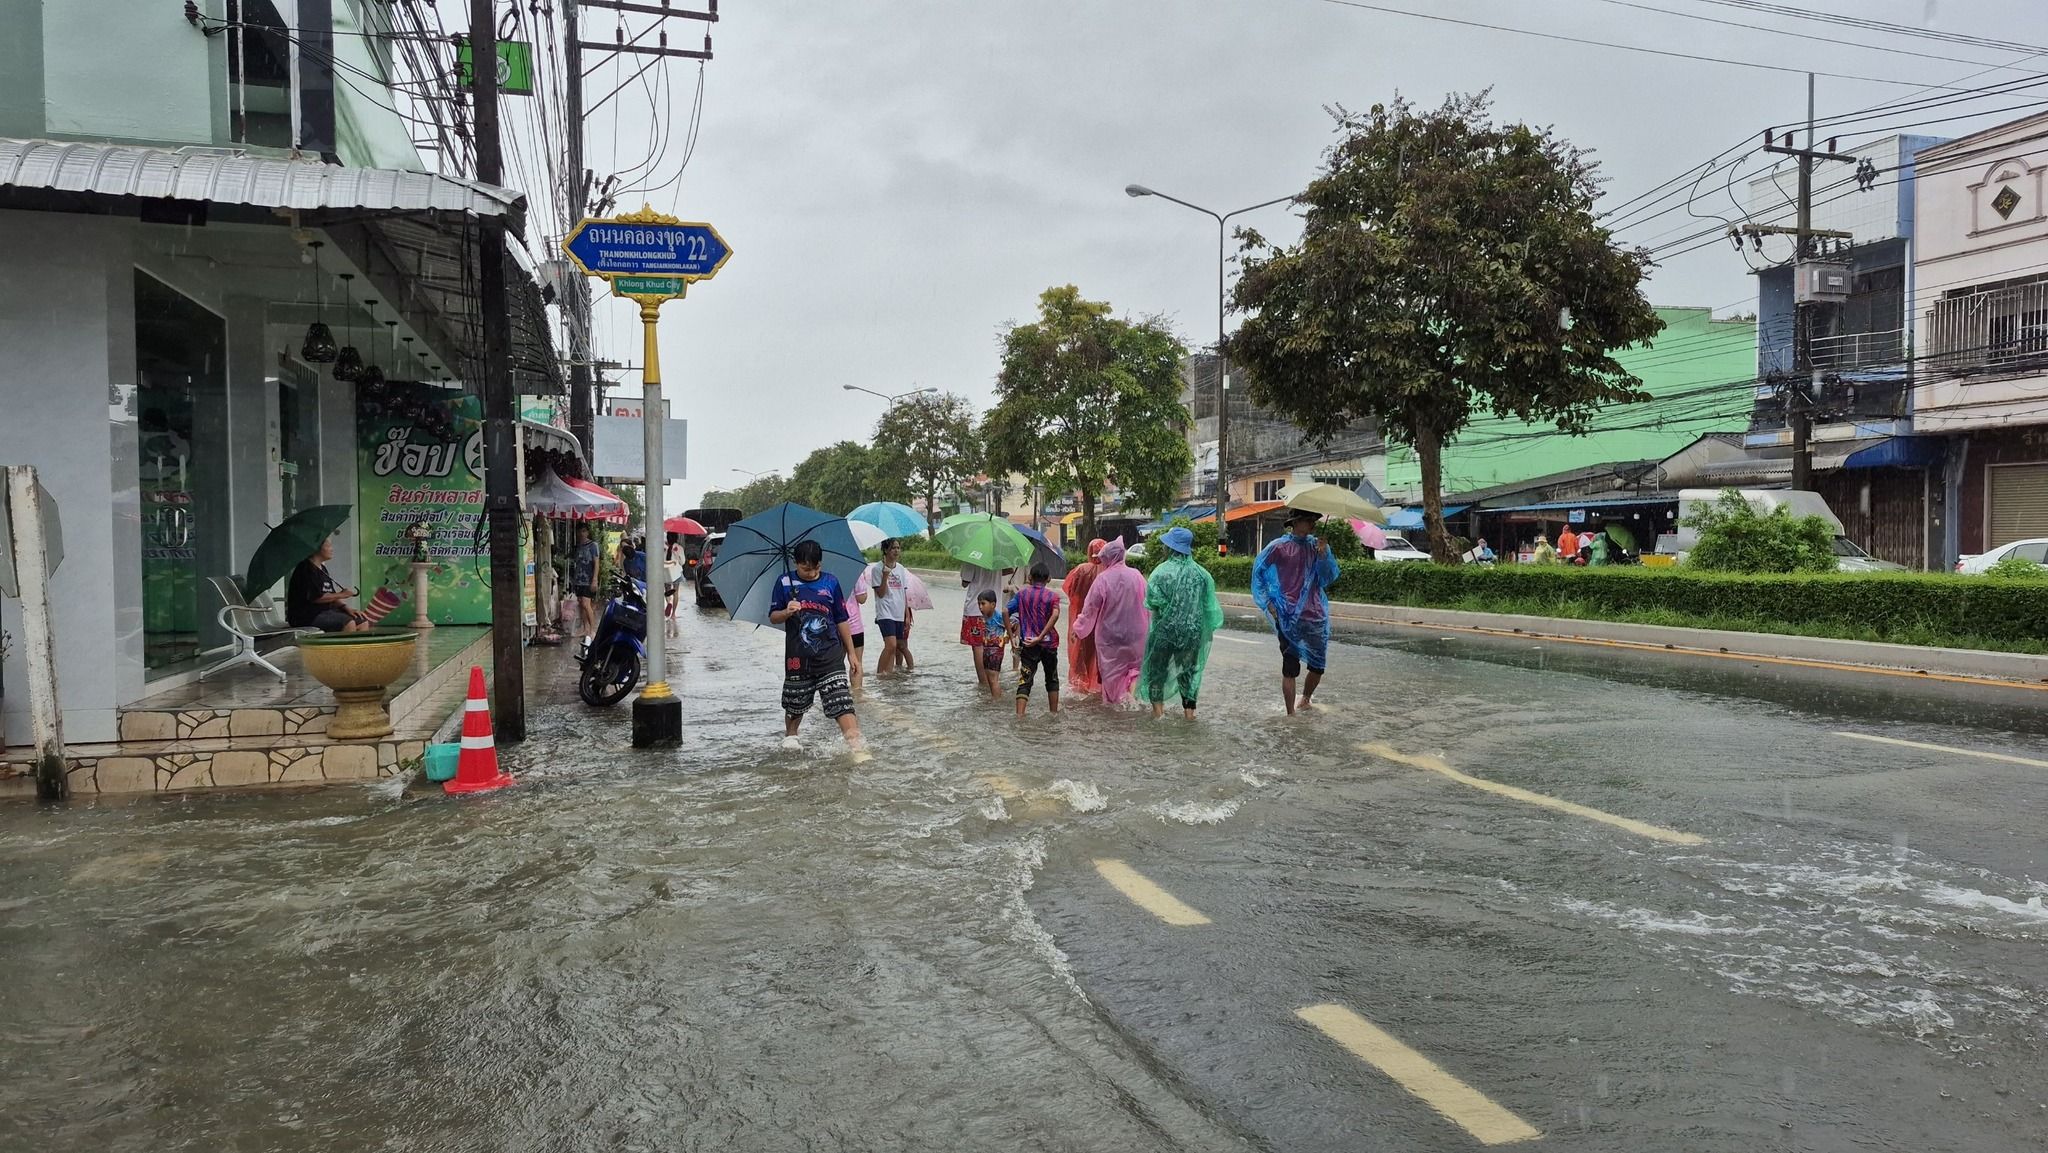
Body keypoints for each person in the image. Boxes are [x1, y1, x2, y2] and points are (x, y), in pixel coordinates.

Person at [768, 539, 865, 754]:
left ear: (820, 564)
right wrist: (787, 611)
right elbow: (773, 617)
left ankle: (856, 746)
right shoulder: (784, 583)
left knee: (841, 700)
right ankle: (791, 739)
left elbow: (841, 619)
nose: (811, 573)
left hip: (830, 654)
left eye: (815, 568)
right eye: (805, 569)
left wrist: (852, 655)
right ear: (796, 563)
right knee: (795, 703)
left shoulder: (831, 582)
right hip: (797, 657)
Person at [1252, 510, 1340, 715]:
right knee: (1290, 667)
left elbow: (1328, 577)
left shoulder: (1317, 547)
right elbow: (1258, 572)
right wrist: (1269, 604)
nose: (1312, 524)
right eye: (1308, 520)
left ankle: (1306, 699)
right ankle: (1290, 713)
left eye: (1313, 521)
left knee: (1318, 666)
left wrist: (1324, 555)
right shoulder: (1278, 547)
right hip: (1288, 616)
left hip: (1315, 615)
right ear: (1295, 523)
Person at [1137, 526, 1223, 719]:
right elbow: (1211, 609)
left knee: (1157, 673)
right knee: (1189, 675)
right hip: (1191, 634)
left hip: (1164, 633)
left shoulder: (1160, 572)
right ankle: (1189, 715)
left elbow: (1152, 601)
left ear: (1171, 547)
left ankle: (1159, 715)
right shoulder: (1202, 575)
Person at [1072, 538, 1149, 706]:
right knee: (1134, 668)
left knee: (1112, 674)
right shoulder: (1137, 576)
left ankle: (1116, 706)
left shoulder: (1103, 579)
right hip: (1137, 634)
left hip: (1110, 637)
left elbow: (1090, 609)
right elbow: (1148, 603)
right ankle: (1131, 696)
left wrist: (1078, 629)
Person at [1007, 562, 1062, 717]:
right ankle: (1053, 713)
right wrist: (1042, 636)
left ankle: (1019, 716)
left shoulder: (1022, 595)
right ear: (1049, 579)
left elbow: (1005, 610)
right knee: (1052, 679)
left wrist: (1012, 639)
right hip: (1049, 643)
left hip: (1028, 644)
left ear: (1030, 578)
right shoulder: (1053, 596)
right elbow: (1056, 614)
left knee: (1025, 680)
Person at [286, 537, 368, 633]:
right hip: (306, 616)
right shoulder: (306, 569)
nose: (332, 549)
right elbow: (316, 597)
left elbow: (331, 595)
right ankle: (341, 648)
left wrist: (346, 608)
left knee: (362, 622)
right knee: (348, 623)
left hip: (325, 612)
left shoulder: (322, 569)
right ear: (317, 548)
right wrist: (342, 594)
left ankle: (356, 648)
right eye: (328, 546)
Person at [1060, 539, 1107, 695]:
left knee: (1080, 653)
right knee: (1098, 655)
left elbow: (1068, 589)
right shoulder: (1108, 571)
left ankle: (1081, 687)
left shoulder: (1081, 569)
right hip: (1102, 621)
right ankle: (1097, 688)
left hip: (1081, 618)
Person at [863, 538, 911, 674]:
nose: (896, 551)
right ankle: (879, 674)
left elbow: (904, 592)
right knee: (891, 645)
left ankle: (887, 676)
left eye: (898, 548)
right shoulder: (877, 569)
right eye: (893, 548)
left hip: (898, 613)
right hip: (885, 612)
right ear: (885, 550)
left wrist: (907, 615)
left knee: (895, 648)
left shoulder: (901, 569)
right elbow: (881, 593)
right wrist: (885, 575)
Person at [959, 563, 1009, 678]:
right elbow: (1007, 570)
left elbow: (964, 583)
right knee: (993, 644)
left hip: (975, 609)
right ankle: (993, 680)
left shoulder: (971, 557)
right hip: (995, 609)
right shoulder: (999, 555)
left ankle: (983, 682)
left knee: (978, 646)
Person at [570, 524, 601, 654]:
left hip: (588, 580)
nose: (582, 534)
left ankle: (593, 630)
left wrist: (594, 579)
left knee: (586, 604)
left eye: (584, 531)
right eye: (580, 531)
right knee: (581, 605)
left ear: (587, 532)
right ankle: (585, 628)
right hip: (578, 579)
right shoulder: (578, 547)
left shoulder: (593, 546)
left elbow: (596, 563)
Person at [973, 590, 1007, 699]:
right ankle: (995, 699)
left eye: (983, 604)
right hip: (987, 650)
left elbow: (1012, 626)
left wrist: (1008, 638)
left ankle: (996, 702)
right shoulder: (984, 617)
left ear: (993, 605)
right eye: (979, 604)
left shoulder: (999, 617)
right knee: (989, 678)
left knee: (993, 679)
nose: (980, 607)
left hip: (996, 651)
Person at [663, 532, 685, 624]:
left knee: (668, 591)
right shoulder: (679, 548)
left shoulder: (663, 547)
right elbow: (682, 562)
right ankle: (673, 614)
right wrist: (676, 555)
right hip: (676, 573)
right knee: (676, 592)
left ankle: (669, 603)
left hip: (665, 572)